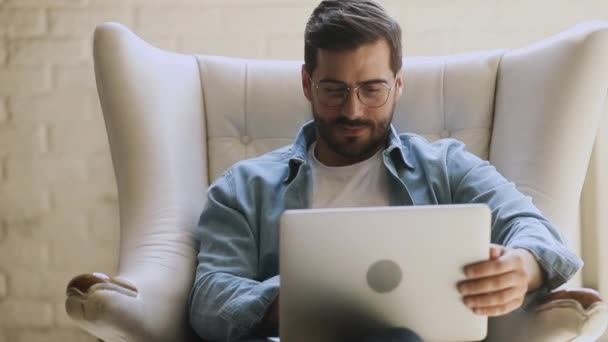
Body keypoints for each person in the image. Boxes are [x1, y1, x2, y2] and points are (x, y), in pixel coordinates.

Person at [188, 1, 583, 341]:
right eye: (334, 90)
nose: (352, 109)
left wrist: (524, 267)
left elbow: (534, 227)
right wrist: (297, 298)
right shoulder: (243, 186)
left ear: (398, 84)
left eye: (372, 89)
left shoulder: (446, 167)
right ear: (307, 84)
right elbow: (209, 297)